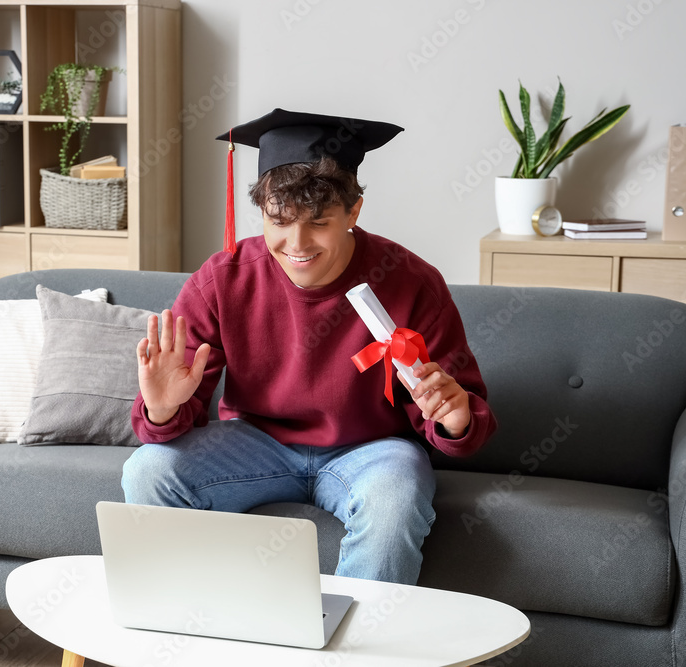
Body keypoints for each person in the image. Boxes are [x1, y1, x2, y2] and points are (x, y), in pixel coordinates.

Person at [122, 108, 497, 585]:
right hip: (255, 445)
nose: (296, 244)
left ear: (354, 211)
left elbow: (465, 419)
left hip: (372, 450)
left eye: (319, 222)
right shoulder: (222, 279)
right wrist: (160, 409)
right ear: (261, 210)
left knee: (394, 497)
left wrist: (455, 414)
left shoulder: (411, 281)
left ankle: (358, 655)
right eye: (278, 220)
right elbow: (168, 423)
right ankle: (193, 635)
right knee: (146, 472)